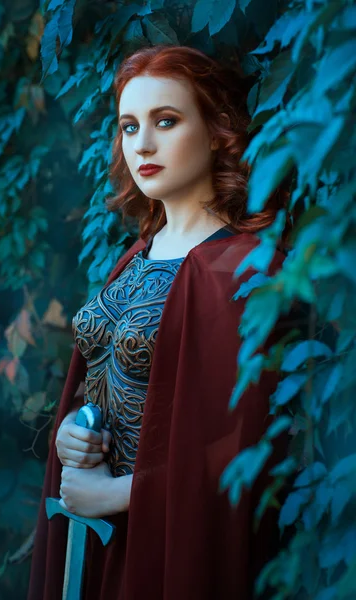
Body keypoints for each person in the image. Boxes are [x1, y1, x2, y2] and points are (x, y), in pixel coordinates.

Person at [28, 44, 292, 600]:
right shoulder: (137, 254)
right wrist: (74, 435)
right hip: (94, 536)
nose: (142, 144)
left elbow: (249, 444)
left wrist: (124, 493)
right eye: (129, 126)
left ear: (218, 129)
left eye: (165, 121)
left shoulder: (243, 268)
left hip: (169, 543)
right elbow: (108, 374)